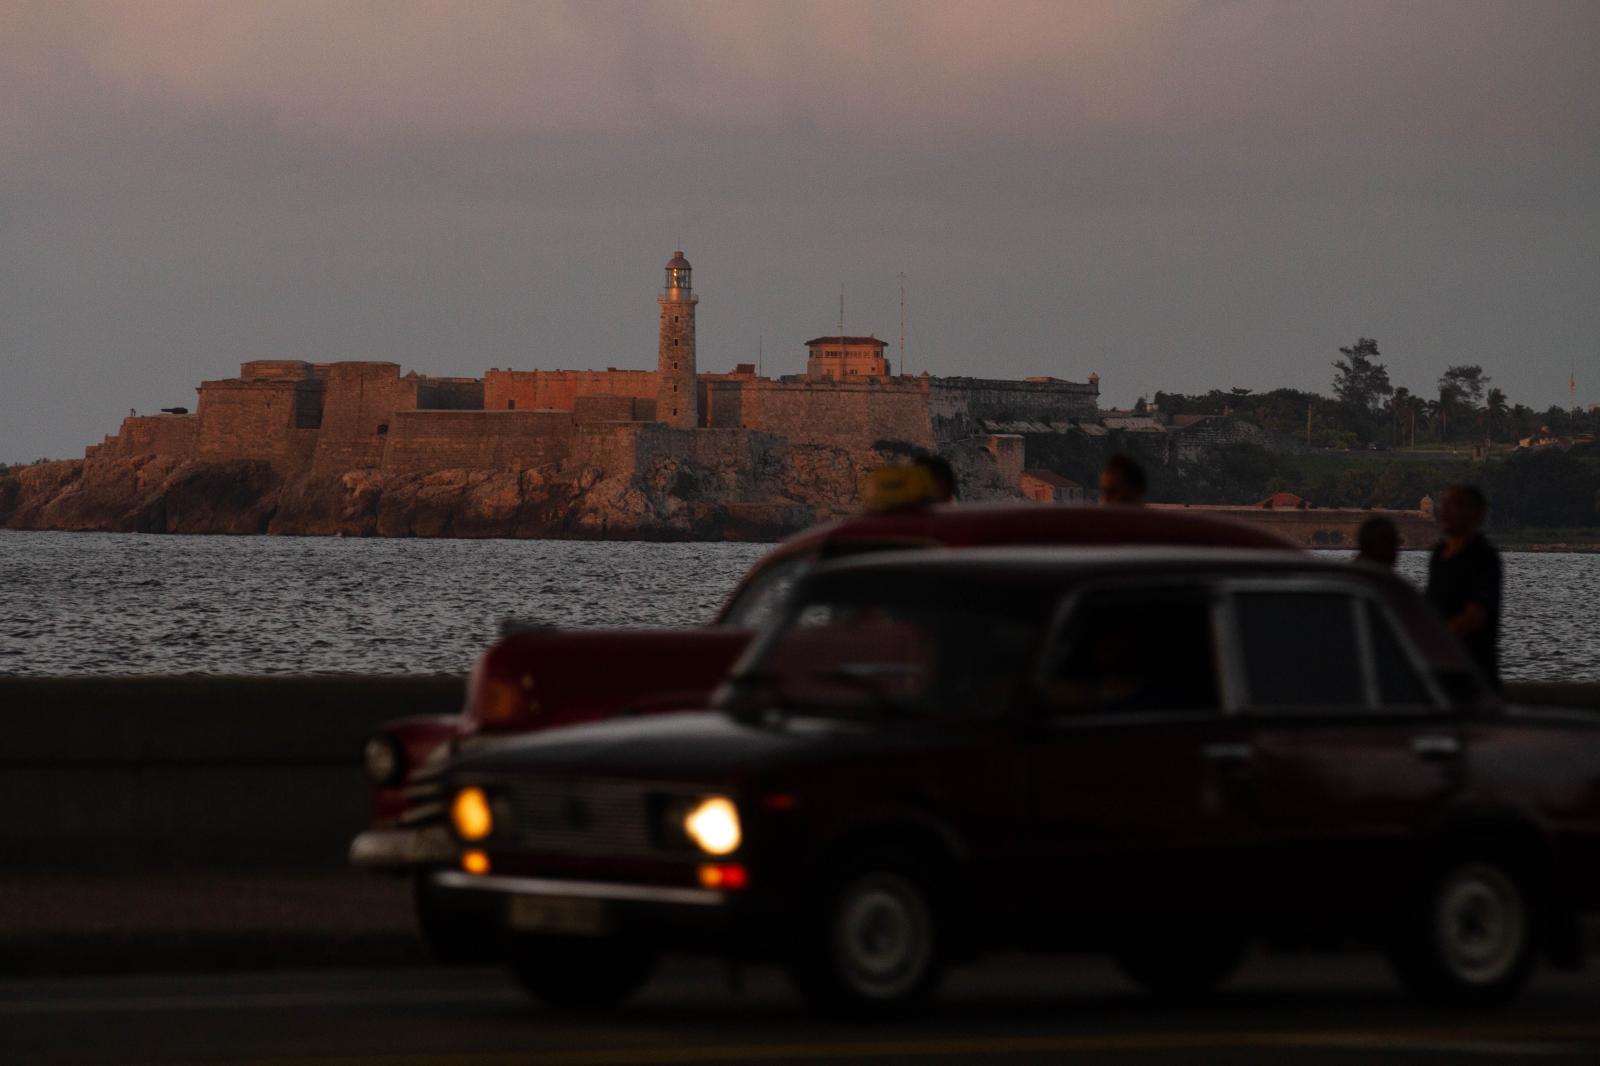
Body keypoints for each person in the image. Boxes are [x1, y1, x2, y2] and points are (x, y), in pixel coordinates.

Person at [1425, 484, 1502, 689]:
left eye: (1456, 505)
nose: (1446, 511)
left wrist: (1432, 642)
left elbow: (1474, 616)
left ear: (1476, 515)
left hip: (1473, 673)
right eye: (1445, 505)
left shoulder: (1483, 556)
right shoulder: (1439, 553)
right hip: (1440, 672)